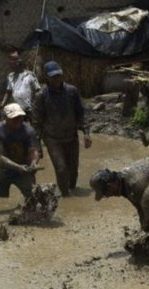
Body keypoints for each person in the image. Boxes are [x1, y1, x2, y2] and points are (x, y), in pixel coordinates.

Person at [31, 61, 92, 197]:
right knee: (61, 168)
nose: (57, 79)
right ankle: (66, 196)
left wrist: (86, 133)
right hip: (53, 139)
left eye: (59, 75)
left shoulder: (72, 91)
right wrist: (37, 146)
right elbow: (36, 123)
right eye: (53, 77)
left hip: (71, 136)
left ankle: (72, 190)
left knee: (73, 170)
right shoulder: (41, 96)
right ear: (46, 77)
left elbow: (80, 113)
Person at [0, 104, 41, 214]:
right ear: (5, 118)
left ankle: (32, 216)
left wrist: (34, 163)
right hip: (1, 169)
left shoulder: (29, 131)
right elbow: (0, 156)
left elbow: (34, 150)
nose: (18, 120)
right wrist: (17, 167)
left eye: (20, 117)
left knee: (32, 193)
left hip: (23, 167)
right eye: (14, 118)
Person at [0, 52, 40, 118]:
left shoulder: (29, 75)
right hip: (17, 110)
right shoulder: (10, 76)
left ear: (19, 61)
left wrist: (37, 105)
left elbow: (37, 91)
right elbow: (8, 92)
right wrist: (2, 104)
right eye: (10, 61)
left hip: (30, 109)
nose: (10, 63)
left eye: (13, 60)